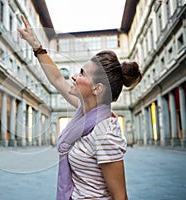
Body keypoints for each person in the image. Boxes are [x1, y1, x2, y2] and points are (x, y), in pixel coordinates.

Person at [18, 15, 142, 200]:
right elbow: (57, 78)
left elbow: (120, 196)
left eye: (82, 73)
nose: (74, 76)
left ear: (97, 89)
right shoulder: (85, 112)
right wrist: (35, 44)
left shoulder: (105, 133)